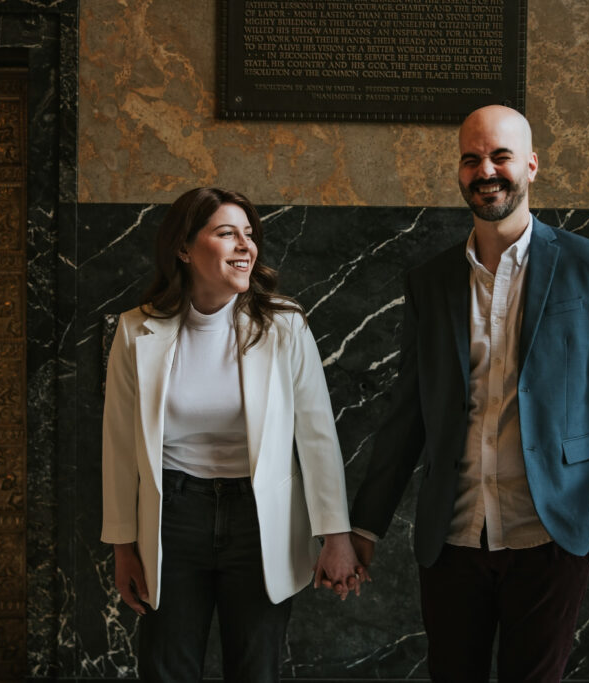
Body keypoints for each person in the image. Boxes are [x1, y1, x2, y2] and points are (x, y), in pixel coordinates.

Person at [350, 105, 589, 682]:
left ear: (532, 165)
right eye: (471, 159)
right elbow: (407, 414)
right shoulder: (430, 281)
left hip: (553, 532)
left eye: (500, 156)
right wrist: (365, 526)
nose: (485, 170)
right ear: (459, 172)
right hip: (454, 535)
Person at [101, 187, 362, 682]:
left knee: (255, 670)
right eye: (227, 234)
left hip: (260, 519)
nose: (246, 246)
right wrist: (123, 545)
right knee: (165, 669)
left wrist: (336, 536)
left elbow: (317, 437)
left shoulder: (285, 326)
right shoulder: (136, 331)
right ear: (184, 247)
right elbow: (117, 446)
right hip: (172, 519)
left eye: (250, 234)